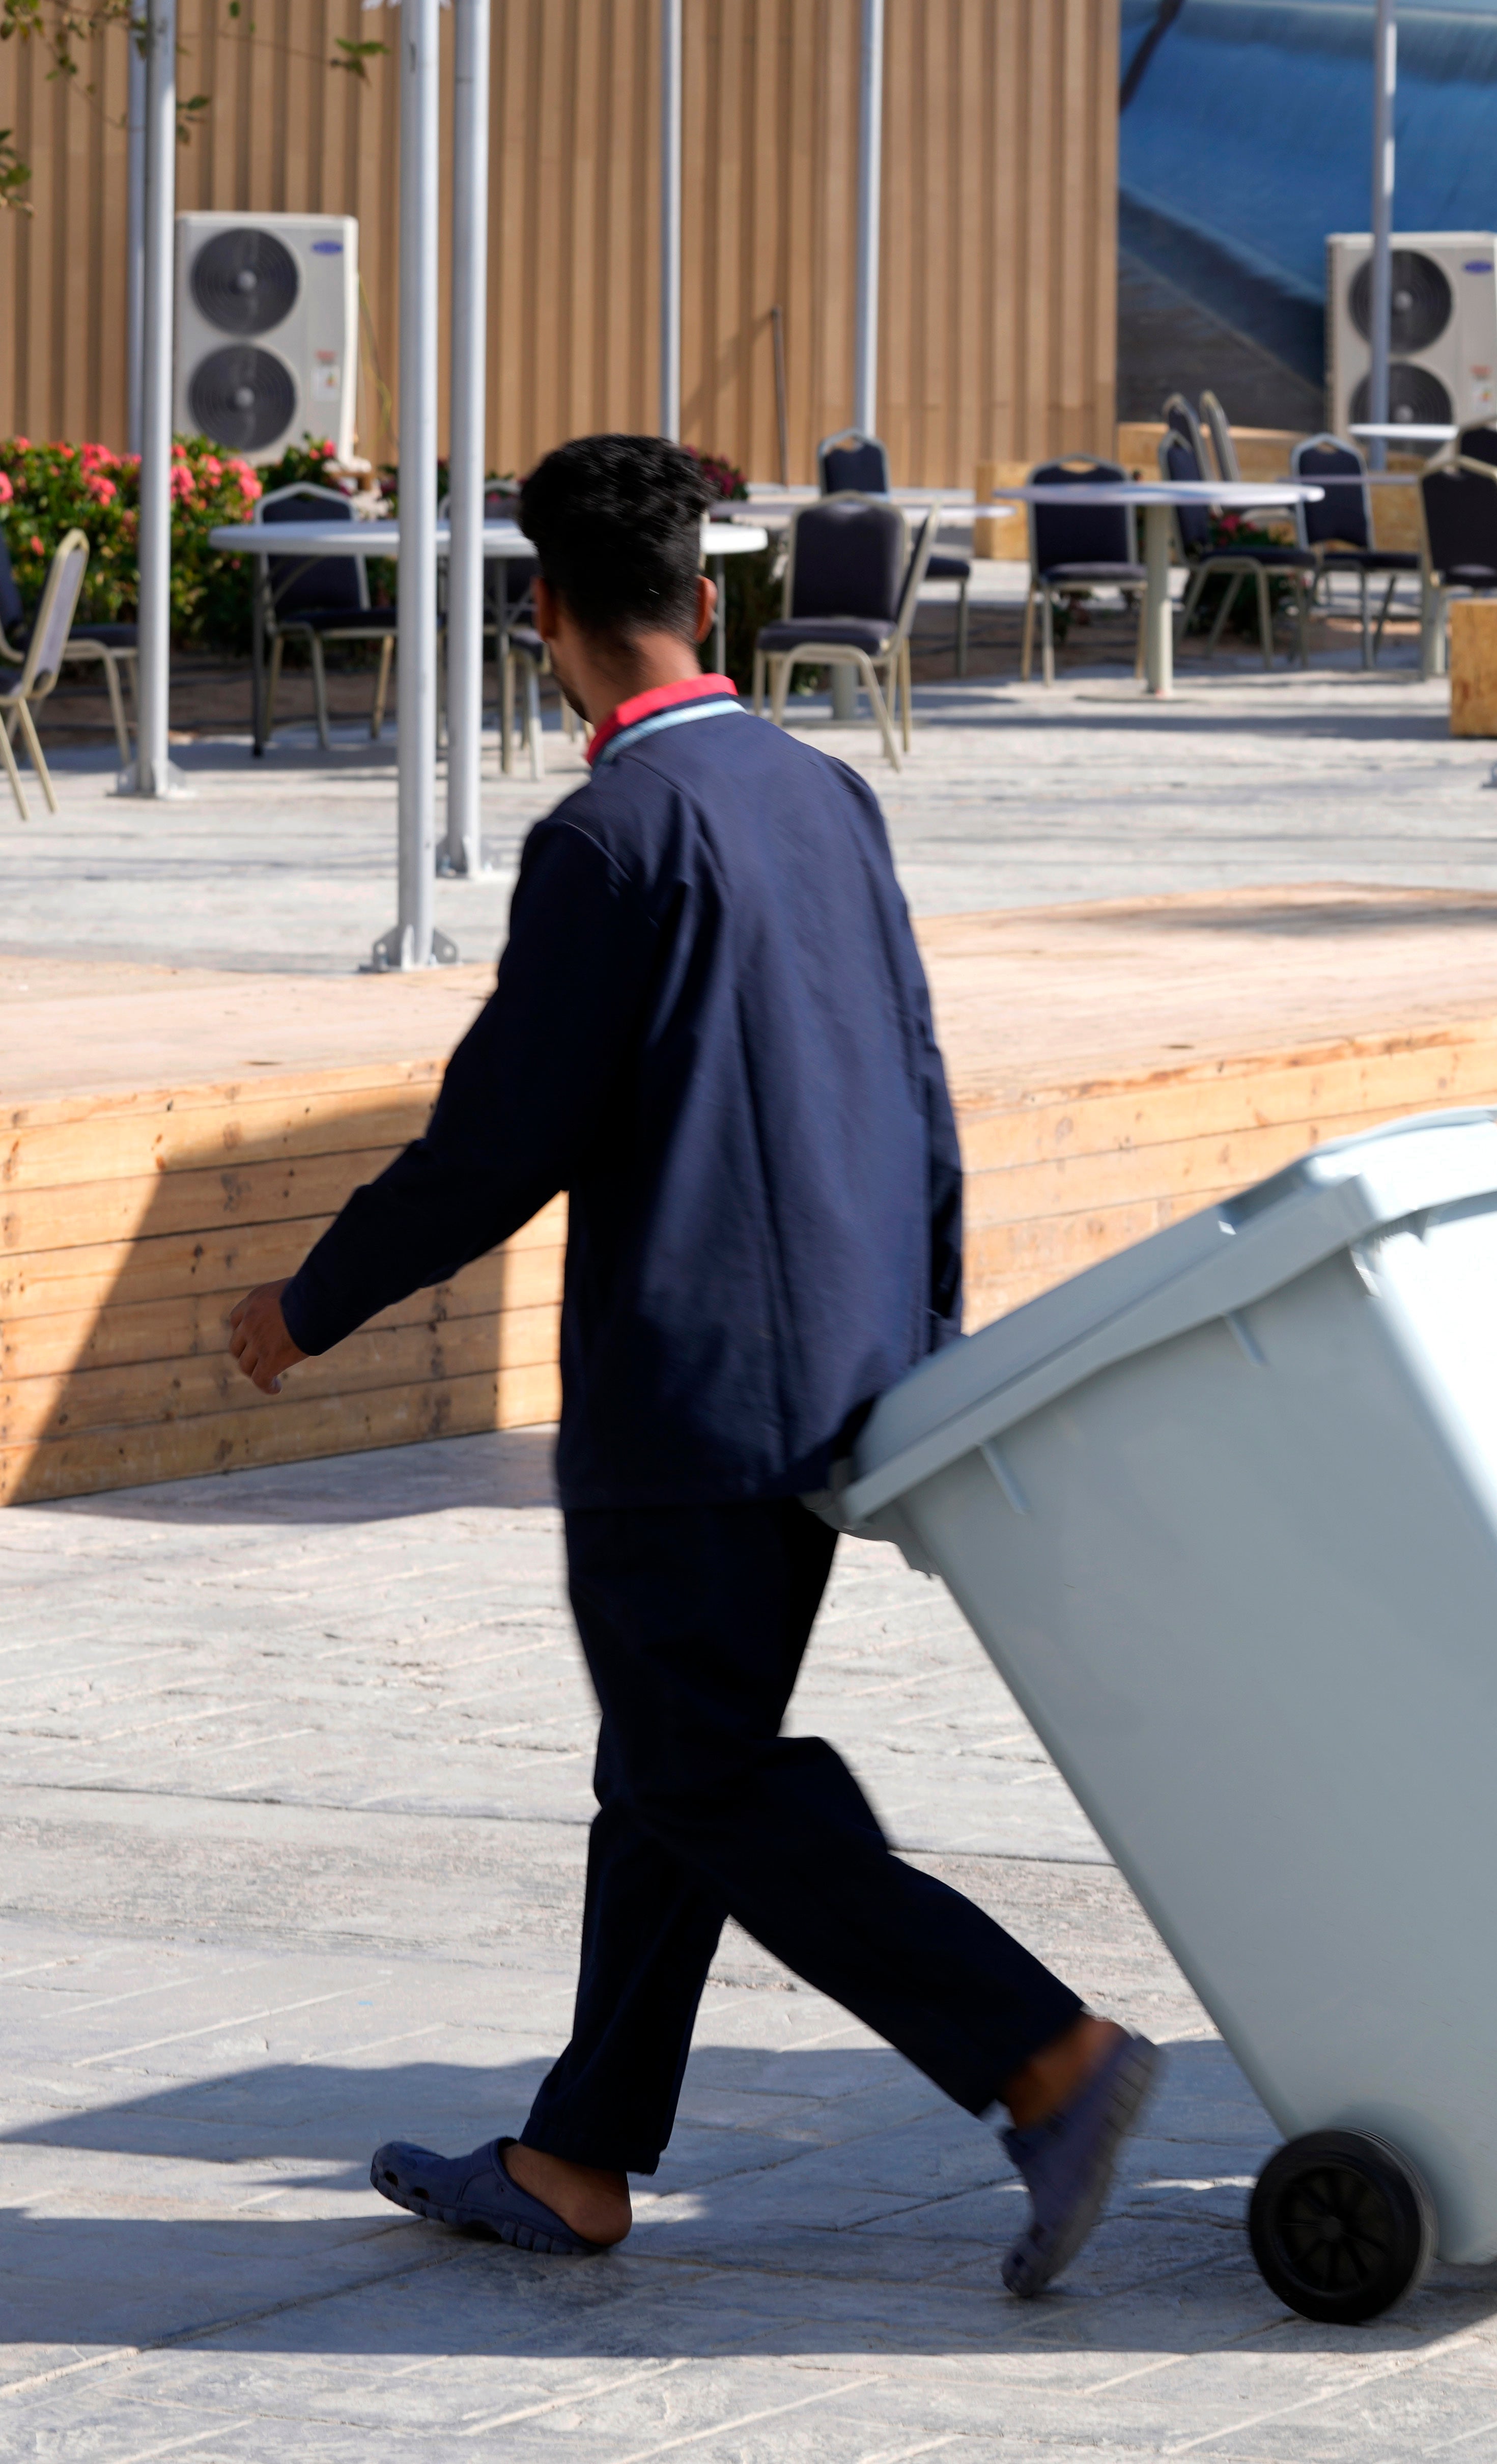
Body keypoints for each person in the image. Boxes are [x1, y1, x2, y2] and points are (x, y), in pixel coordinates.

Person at [223, 435, 1155, 2290]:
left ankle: (1043, 2057)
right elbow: (918, 1090)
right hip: (831, 1377)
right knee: (665, 1762)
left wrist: (310, 1298)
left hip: (682, 1395)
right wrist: (926, 1342)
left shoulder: (608, 837)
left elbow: (501, 1140)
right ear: (706, 602)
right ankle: (575, 2157)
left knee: (706, 1774)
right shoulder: (821, 796)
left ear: (546, 619)